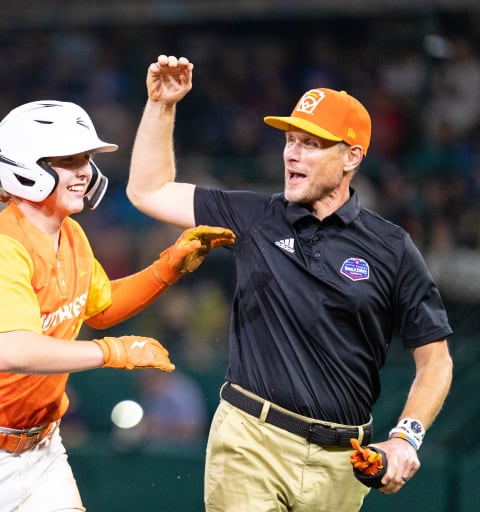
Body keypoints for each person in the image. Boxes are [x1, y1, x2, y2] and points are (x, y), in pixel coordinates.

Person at [126, 55, 454, 511]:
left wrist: (406, 437)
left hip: (343, 462)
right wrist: (161, 107)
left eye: (311, 143)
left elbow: (435, 359)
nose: (292, 153)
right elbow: (149, 191)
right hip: (251, 440)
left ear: (352, 157)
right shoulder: (254, 217)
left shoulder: (391, 247)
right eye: (290, 140)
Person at [0, 99, 235, 511]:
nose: (84, 171)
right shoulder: (0, 247)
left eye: (85, 158)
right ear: (25, 167)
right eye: (67, 160)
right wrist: (110, 352)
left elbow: (99, 307)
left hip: (42, 449)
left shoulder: (72, 235)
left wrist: (166, 268)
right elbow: (12, 351)